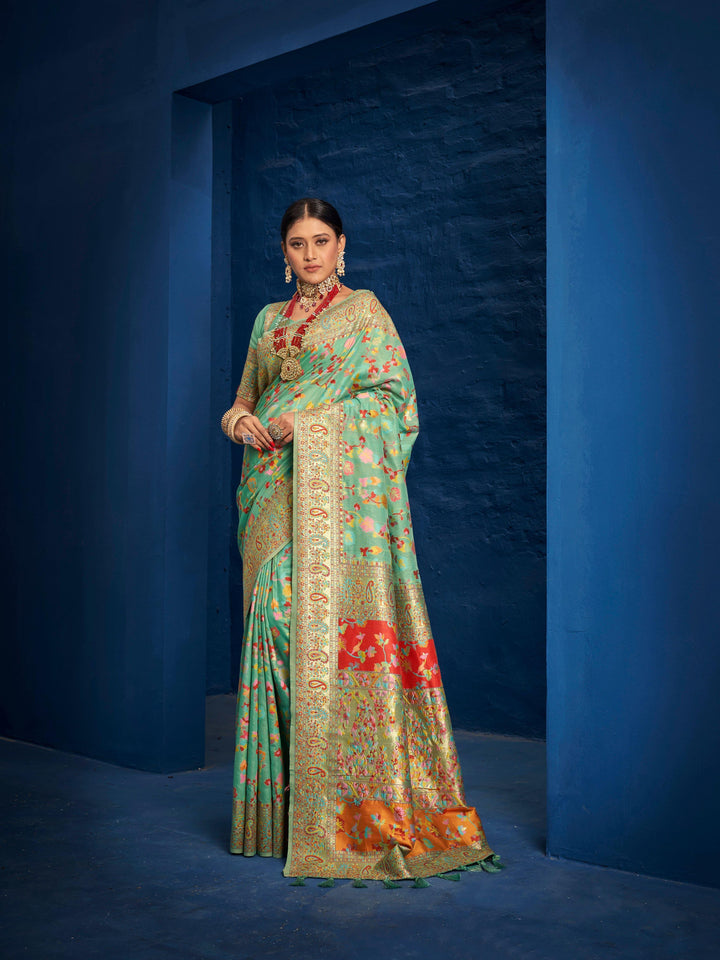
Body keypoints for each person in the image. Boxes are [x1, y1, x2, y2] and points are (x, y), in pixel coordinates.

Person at [221, 198, 501, 884]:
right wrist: (237, 422)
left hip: (332, 492)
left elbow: (394, 404)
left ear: (341, 246)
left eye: (321, 241)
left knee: (318, 637)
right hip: (268, 490)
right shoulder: (267, 321)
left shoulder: (365, 314)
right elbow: (246, 396)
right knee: (274, 630)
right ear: (283, 252)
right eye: (297, 243)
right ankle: (285, 813)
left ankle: (340, 808)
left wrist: (311, 423)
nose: (310, 254)